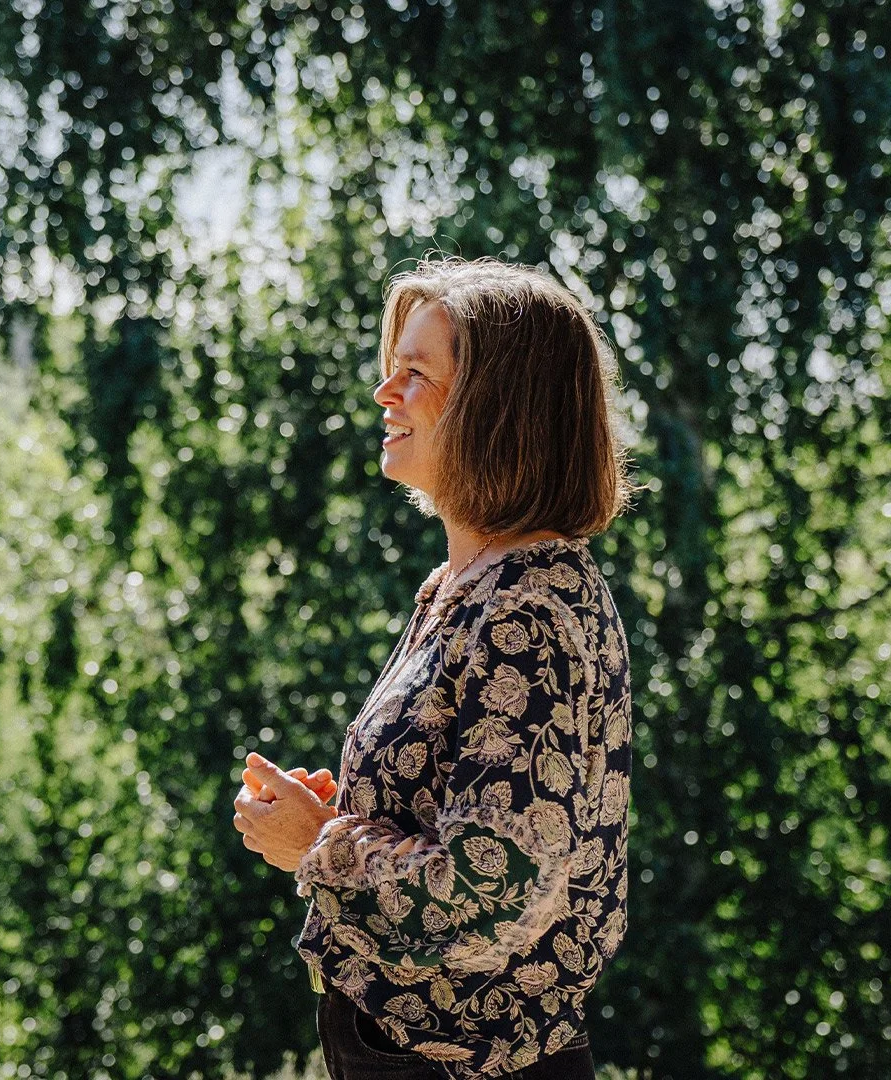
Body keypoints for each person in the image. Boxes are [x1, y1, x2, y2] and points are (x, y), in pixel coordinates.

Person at [233, 258, 635, 1079]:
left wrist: (320, 843)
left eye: (417, 373)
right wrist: (358, 810)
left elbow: (491, 901)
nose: (386, 391)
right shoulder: (466, 585)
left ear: (499, 411)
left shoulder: (526, 612)